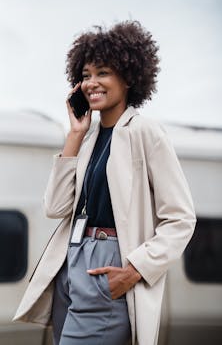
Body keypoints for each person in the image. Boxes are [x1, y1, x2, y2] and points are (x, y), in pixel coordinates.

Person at [13, 21, 196, 345]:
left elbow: (181, 218)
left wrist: (134, 270)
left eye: (102, 73)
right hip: (71, 263)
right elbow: (55, 208)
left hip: (110, 265)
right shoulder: (88, 139)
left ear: (128, 77)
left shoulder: (145, 132)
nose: (91, 83)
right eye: (85, 75)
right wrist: (75, 133)